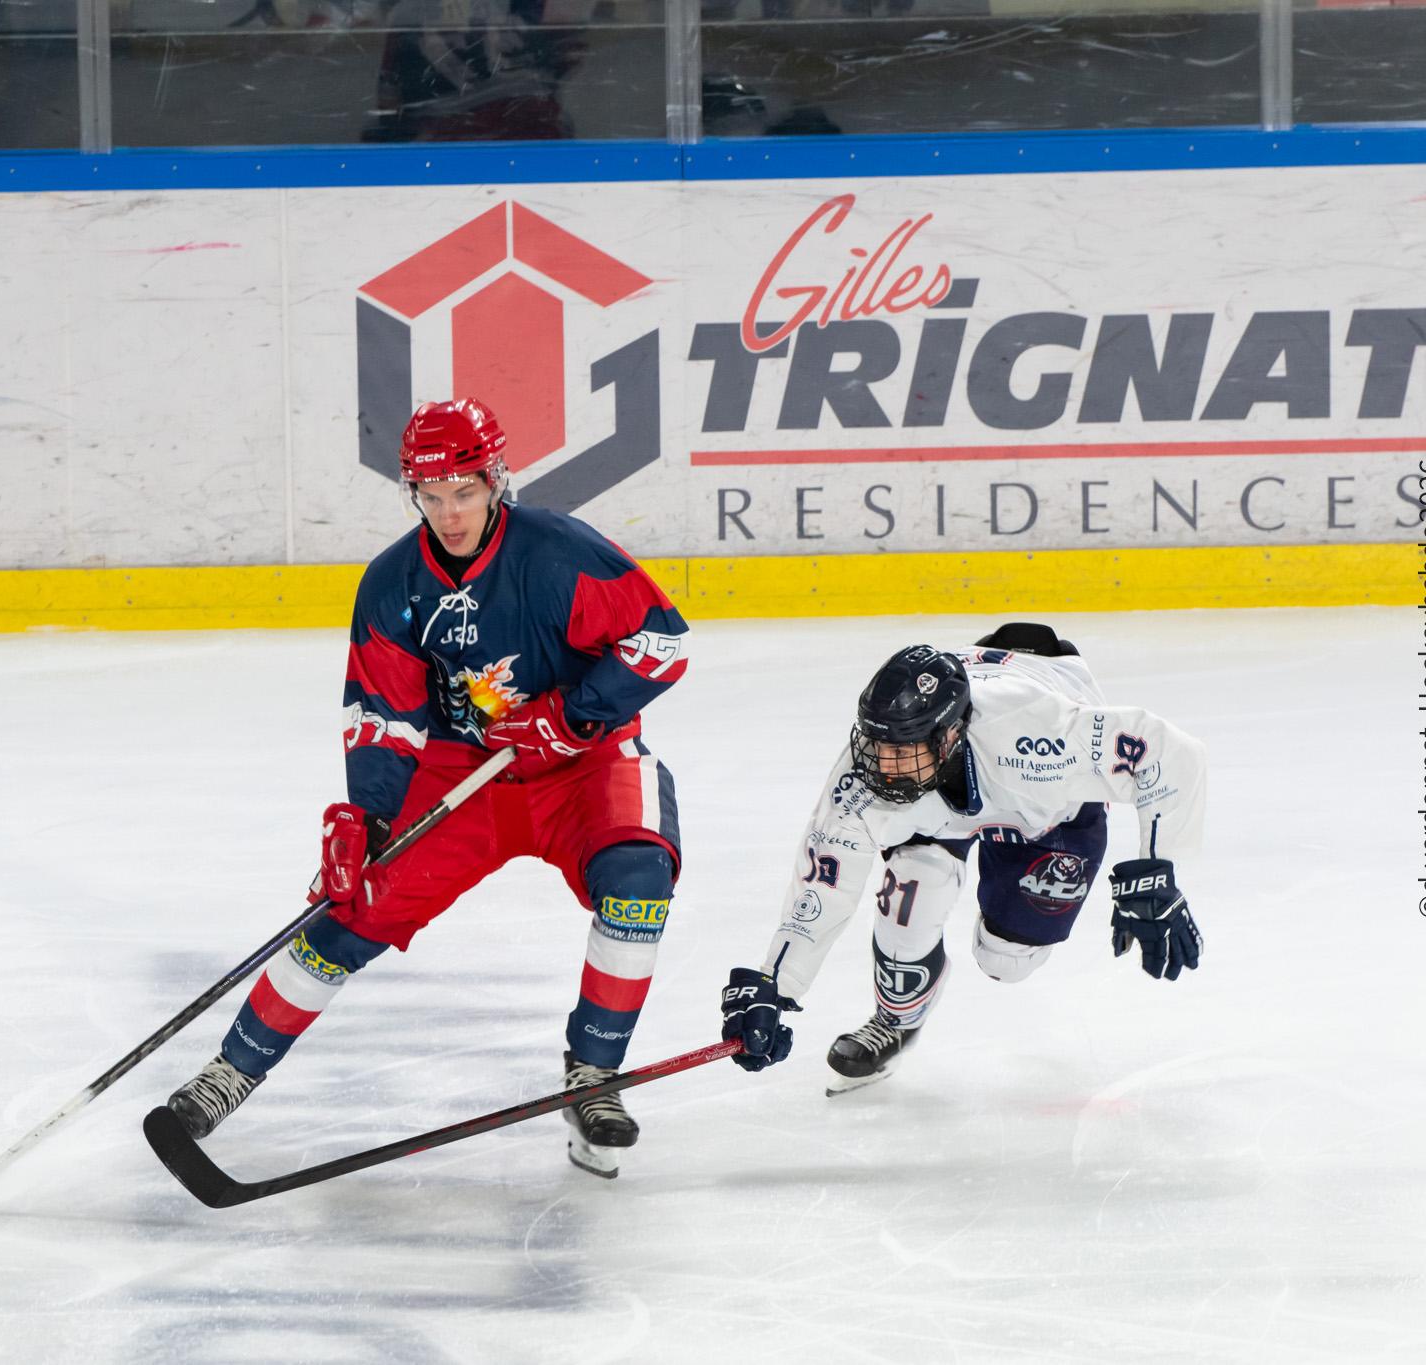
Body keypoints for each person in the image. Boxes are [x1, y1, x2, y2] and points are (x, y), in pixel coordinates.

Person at [168, 397, 689, 1178]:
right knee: (353, 905)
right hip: (464, 772)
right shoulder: (394, 583)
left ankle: (593, 1075)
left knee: (639, 877)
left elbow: (662, 641)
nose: (450, 515)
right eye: (432, 496)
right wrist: (369, 817)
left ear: (496, 480)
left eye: (465, 493)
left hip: (585, 761)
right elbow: (384, 713)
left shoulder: (559, 554)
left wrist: (574, 714)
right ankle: (229, 1072)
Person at [720, 624, 1207, 1092]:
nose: (884, 767)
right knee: (911, 897)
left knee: (1006, 961)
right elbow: (821, 886)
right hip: (940, 809)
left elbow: (1167, 751)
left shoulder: (1041, 733)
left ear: (950, 734)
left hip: (1043, 809)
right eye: (877, 745)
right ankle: (897, 1020)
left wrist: (1157, 869)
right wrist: (776, 985)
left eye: (903, 751)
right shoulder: (866, 776)